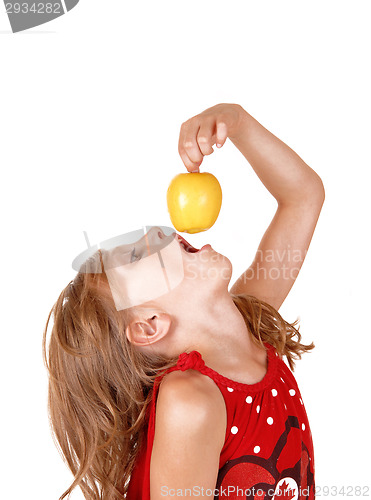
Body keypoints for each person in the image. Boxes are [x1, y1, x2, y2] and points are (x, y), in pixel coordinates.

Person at [43, 103, 325, 500]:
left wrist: (237, 122)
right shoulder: (191, 401)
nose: (161, 232)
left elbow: (303, 196)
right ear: (148, 325)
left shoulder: (250, 324)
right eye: (139, 255)